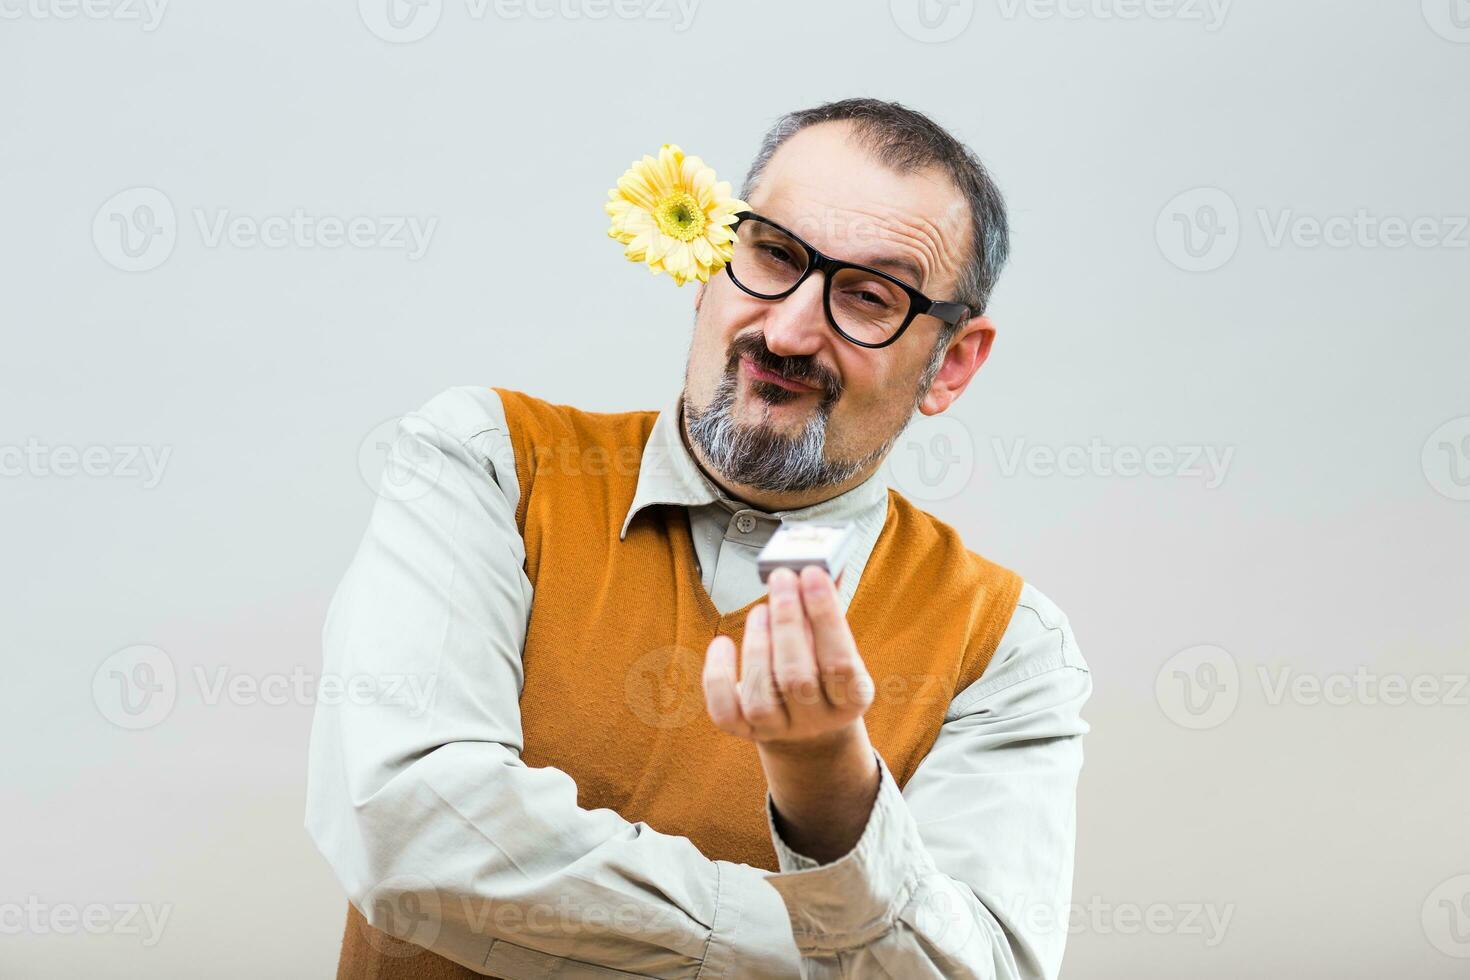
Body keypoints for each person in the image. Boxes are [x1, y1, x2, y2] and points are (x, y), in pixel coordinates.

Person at [306, 97, 1093, 979]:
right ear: (710, 256)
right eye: (772, 255)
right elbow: (404, 833)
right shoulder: (486, 461)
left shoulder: (1009, 650)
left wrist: (832, 790)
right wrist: (818, 942)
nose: (789, 330)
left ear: (951, 363)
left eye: (870, 298)